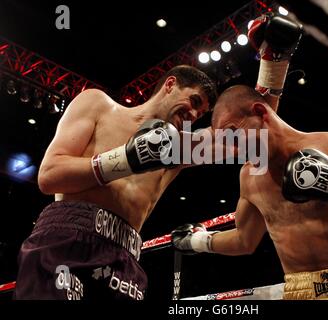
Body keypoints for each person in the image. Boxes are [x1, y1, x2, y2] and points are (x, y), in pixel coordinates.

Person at [172, 84, 328, 300]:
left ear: (260, 112)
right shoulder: (249, 177)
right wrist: (197, 241)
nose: (236, 150)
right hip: (299, 292)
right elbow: (244, 240)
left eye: (235, 136)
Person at [14, 65, 217, 300]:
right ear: (170, 85)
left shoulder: (179, 149)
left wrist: (270, 63)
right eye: (193, 101)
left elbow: (253, 138)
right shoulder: (98, 105)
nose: (193, 115)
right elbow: (49, 176)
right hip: (67, 239)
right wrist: (126, 159)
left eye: (200, 114)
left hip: (124, 259)